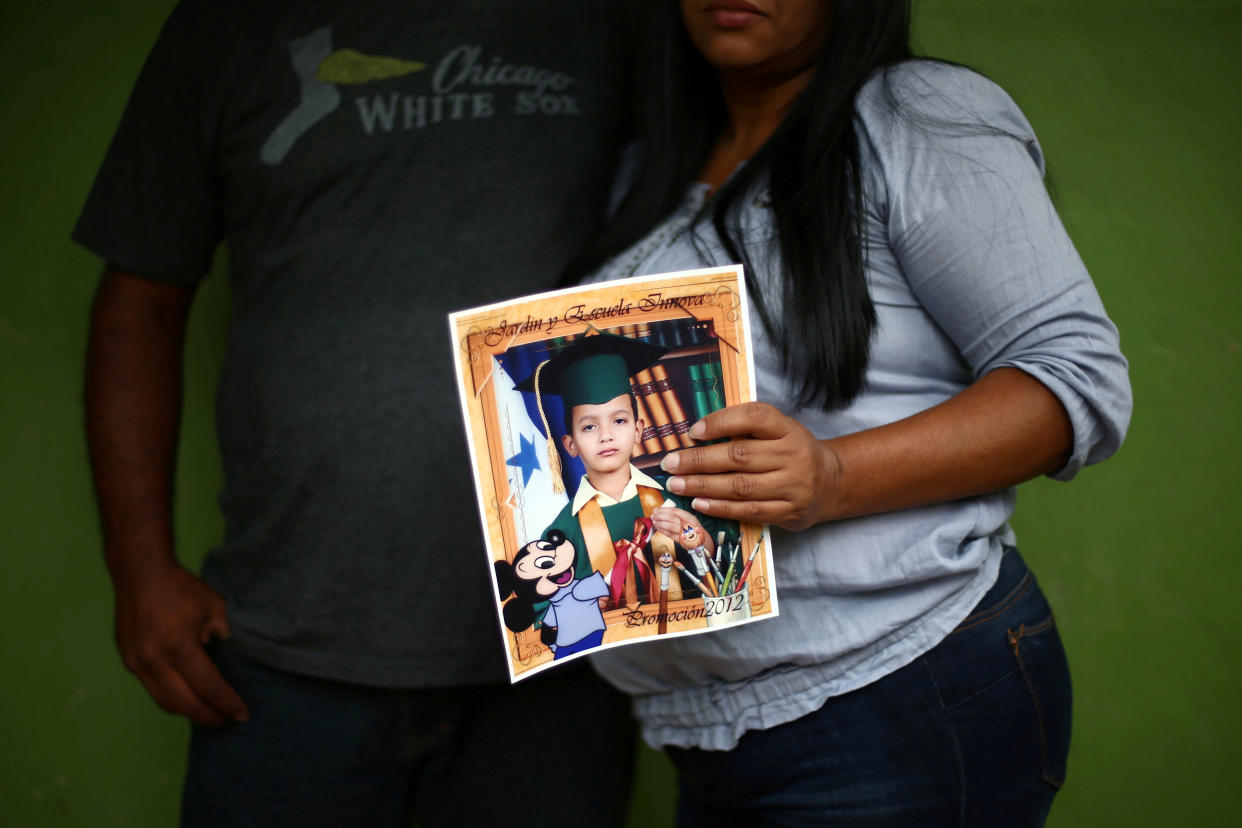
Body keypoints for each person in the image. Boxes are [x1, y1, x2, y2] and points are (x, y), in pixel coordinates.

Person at [570, 1, 1134, 825]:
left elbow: (1075, 378)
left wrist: (832, 476)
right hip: (698, 728)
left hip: (897, 693)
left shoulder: (915, 116)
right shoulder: (643, 168)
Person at [76, 2, 637, 825]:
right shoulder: (228, 27)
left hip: (563, 644)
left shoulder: (619, 24)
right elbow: (140, 304)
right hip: (281, 654)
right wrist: (138, 572)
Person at [515, 333, 738, 611]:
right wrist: (581, 605)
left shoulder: (677, 495)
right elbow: (540, 609)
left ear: (638, 430)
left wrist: (700, 540)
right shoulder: (563, 531)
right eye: (589, 427)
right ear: (570, 445)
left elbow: (735, 560)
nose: (606, 435)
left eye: (619, 421)